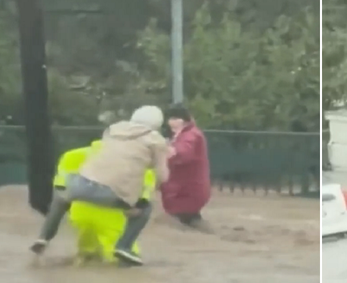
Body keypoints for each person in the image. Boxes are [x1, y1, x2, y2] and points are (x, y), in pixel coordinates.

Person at [30, 105, 170, 266]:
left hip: (80, 187)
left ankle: (44, 238)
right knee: (146, 208)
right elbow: (163, 176)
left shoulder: (112, 129)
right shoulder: (156, 140)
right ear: (157, 125)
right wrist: (164, 156)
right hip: (113, 195)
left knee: (61, 198)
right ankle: (124, 246)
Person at [65, 141, 158, 265]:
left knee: (86, 255)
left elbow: (62, 188)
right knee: (123, 261)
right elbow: (144, 187)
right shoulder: (135, 160)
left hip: (79, 211)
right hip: (111, 213)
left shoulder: (74, 155)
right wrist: (139, 205)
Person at [160, 104, 212, 231]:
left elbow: (183, 152)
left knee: (178, 219)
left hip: (184, 192)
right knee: (190, 218)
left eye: (173, 118)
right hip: (186, 191)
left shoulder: (190, 136)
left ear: (181, 120)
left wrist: (168, 152)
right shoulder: (188, 134)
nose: (170, 122)